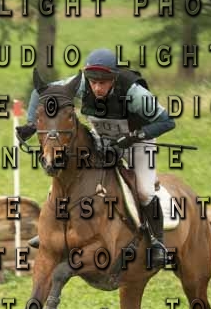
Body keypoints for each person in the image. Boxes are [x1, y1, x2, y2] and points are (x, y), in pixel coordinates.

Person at [17, 48, 175, 269]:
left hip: (137, 141)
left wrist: (131, 138)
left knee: (144, 191)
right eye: (93, 82)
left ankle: (157, 242)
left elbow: (167, 121)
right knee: (67, 174)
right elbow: (41, 91)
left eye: (103, 82)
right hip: (101, 139)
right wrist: (31, 124)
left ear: (114, 78)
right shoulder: (80, 84)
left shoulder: (134, 93)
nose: (97, 88)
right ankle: (51, 231)